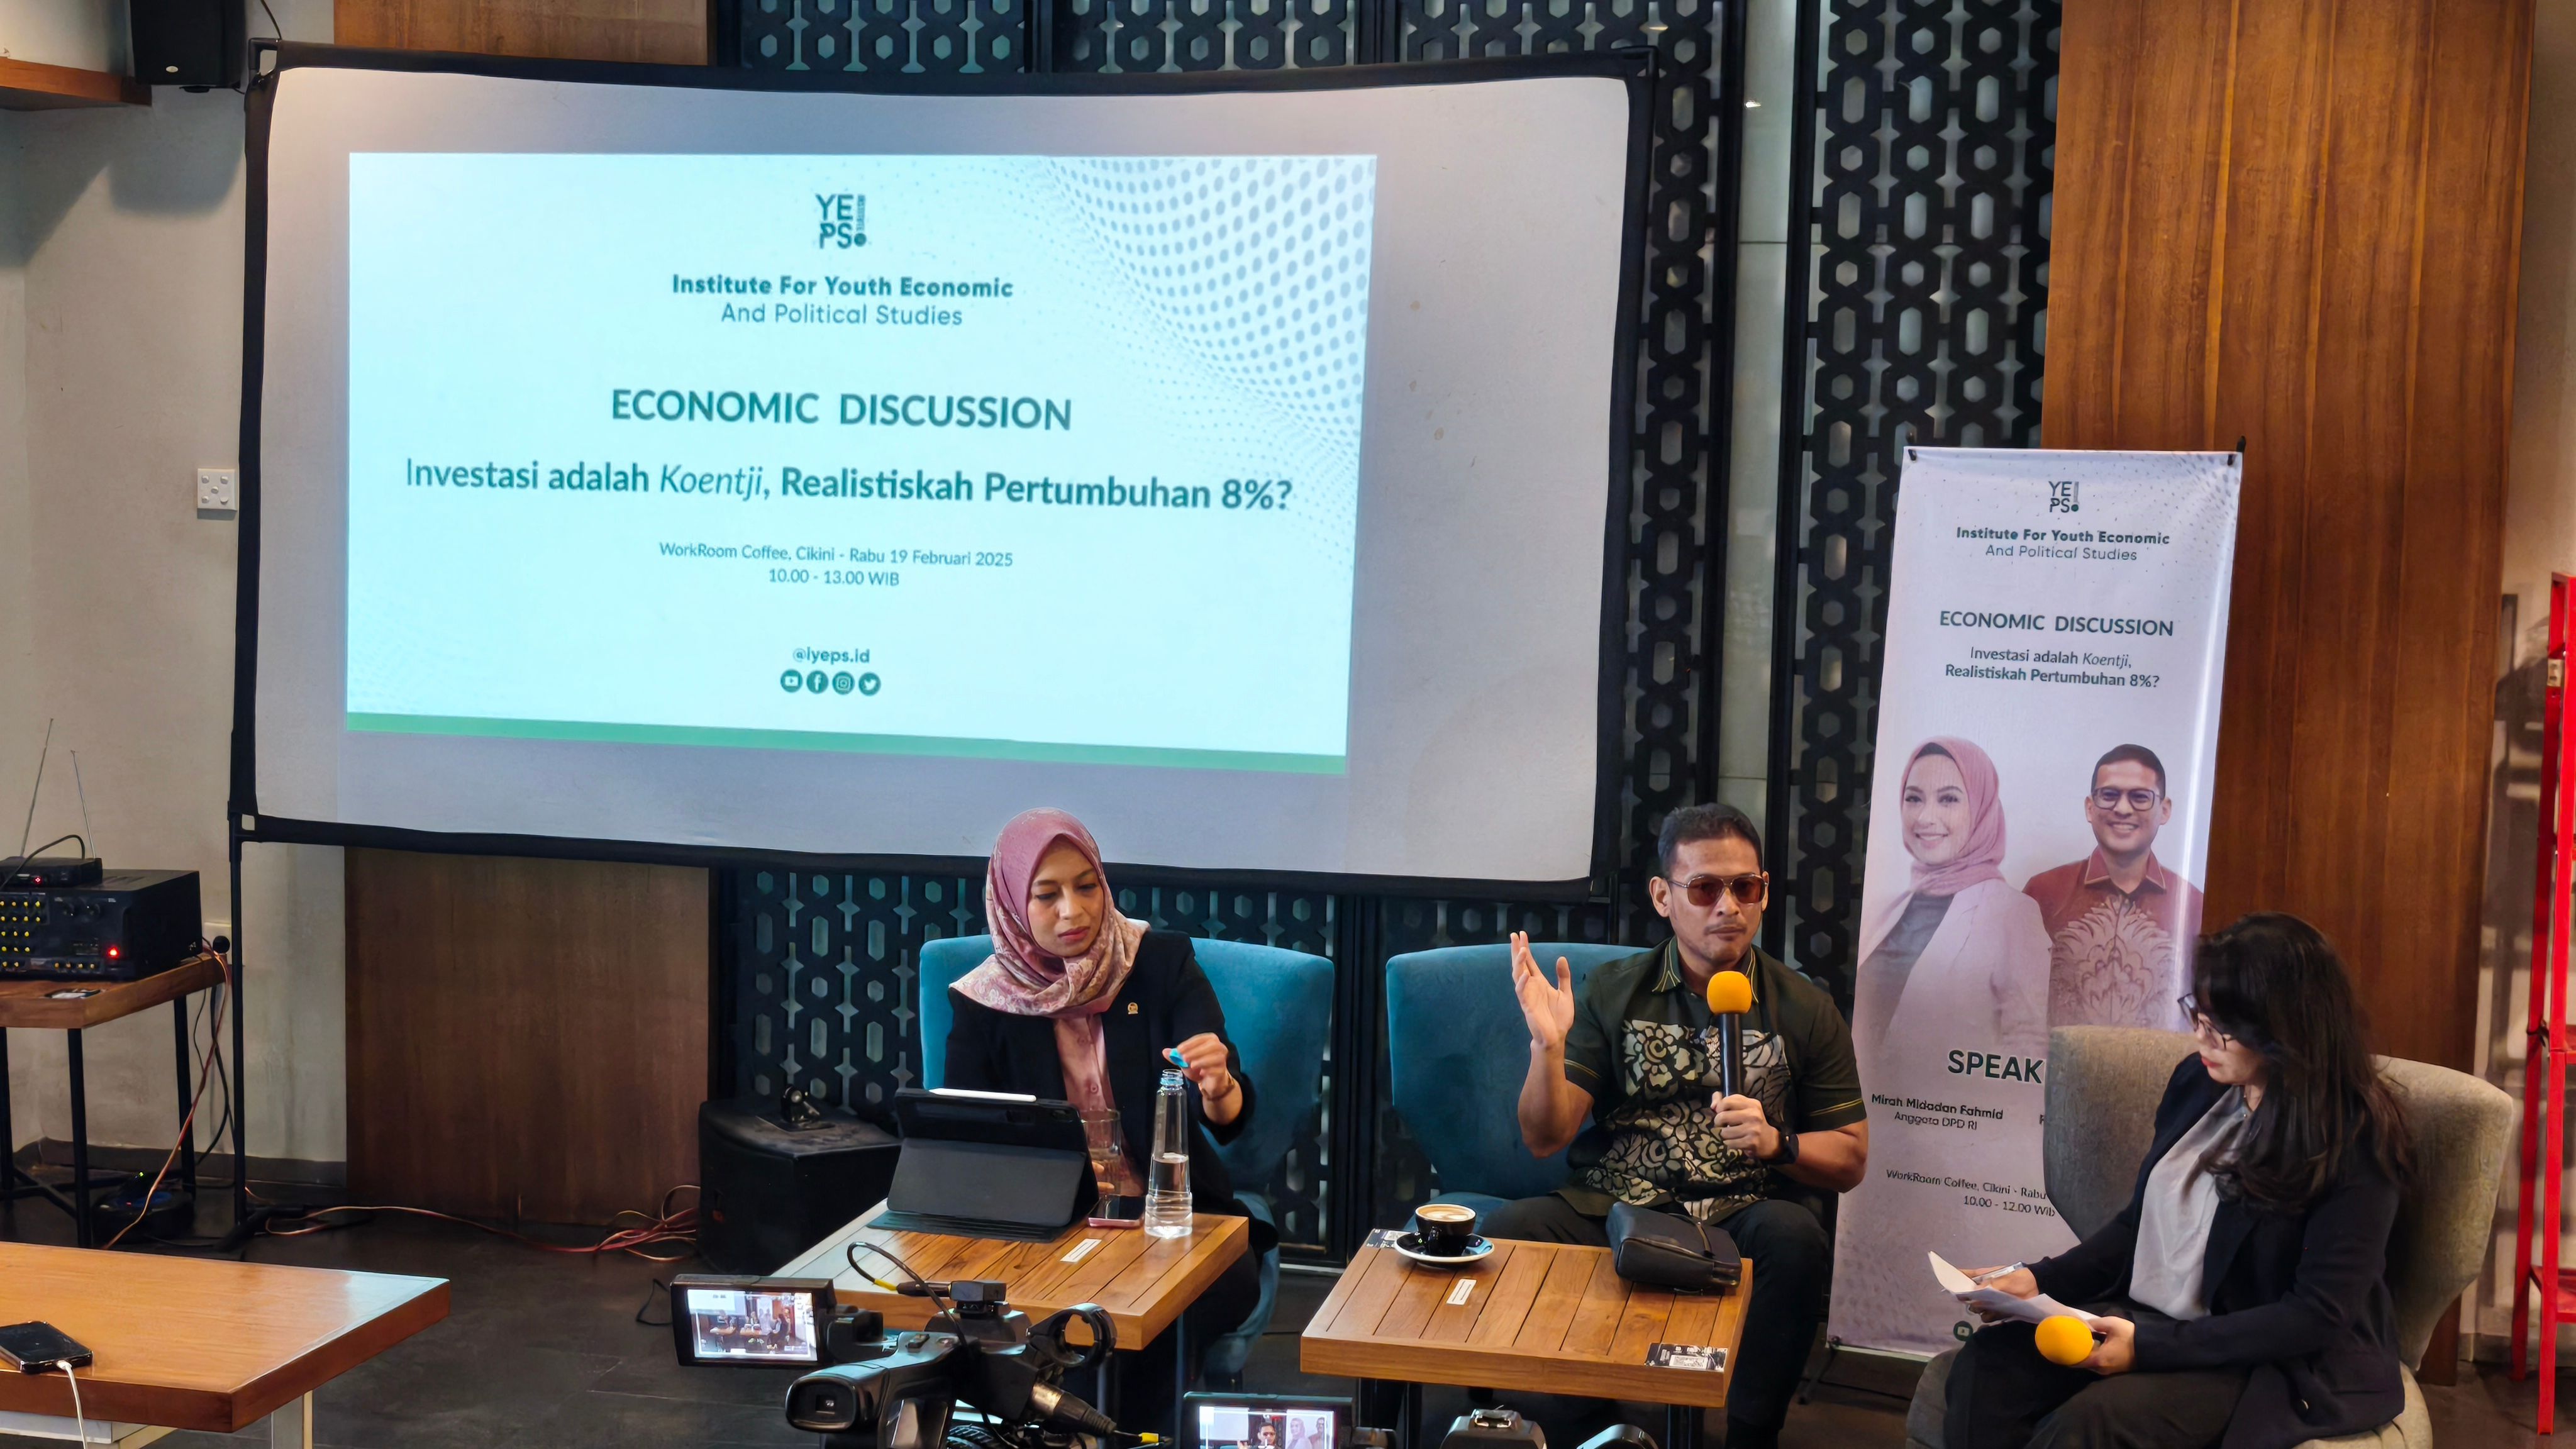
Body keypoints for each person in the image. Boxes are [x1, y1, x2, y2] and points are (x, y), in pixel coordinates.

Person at [1944, 914, 2414, 1449]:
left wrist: (2148, 1349)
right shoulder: (2198, 1082)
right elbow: (2139, 1226)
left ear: (2286, 1029)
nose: (2200, 1037)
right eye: (2199, 1015)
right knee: (1989, 1367)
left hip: (2264, 1355)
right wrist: (2038, 1279)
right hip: (2156, 1321)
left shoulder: (2353, 1140)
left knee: (2090, 1424)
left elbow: (2316, 1315)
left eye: (2222, 1027)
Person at [1486, 802, 1867, 1449]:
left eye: (1745, 888)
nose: (1728, 907)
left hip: (1739, 1210)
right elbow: (1544, 1138)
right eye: (1705, 889)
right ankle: (1584, 1421)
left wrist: (1778, 1143)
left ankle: (1751, 1434)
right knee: (1508, 1232)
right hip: (1615, 1204)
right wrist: (1547, 1048)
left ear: (1764, 892)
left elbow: (1851, 1157)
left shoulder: (1804, 1007)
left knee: (1796, 1238)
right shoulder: (1614, 990)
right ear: (1664, 897)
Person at [941, 808, 1270, 1428]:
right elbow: (965, 1137)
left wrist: (1218, 1084)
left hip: (1176, 1219)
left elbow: (1229, 1115)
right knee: (1063, 1327)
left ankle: (1104, 1431)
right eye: (1047, 895)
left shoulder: (1159, 962)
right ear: (1012, 904)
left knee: (1169, 1316)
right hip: (1049, 1226)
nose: (1074, 911)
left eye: (1086, 886)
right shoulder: (985, 1002)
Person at [1853, 737, 2048, 1069]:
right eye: (1914, 798)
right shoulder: (1885, 909)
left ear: (1982, 809)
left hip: (1954, 1102)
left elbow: (2028, 1050)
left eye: (1948, 799)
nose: (1925, 817)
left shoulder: (2012, 913)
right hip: (1866, 1097)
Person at [2023, 743, 2207, 1031]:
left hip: (2163, 1062)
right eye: (2109, 795)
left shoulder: (2192, 905)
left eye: (2140, 797)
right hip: (2058, 1060)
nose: (2122, 809)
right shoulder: (2043, 894)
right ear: (2090, 807)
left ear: (2165, 810)